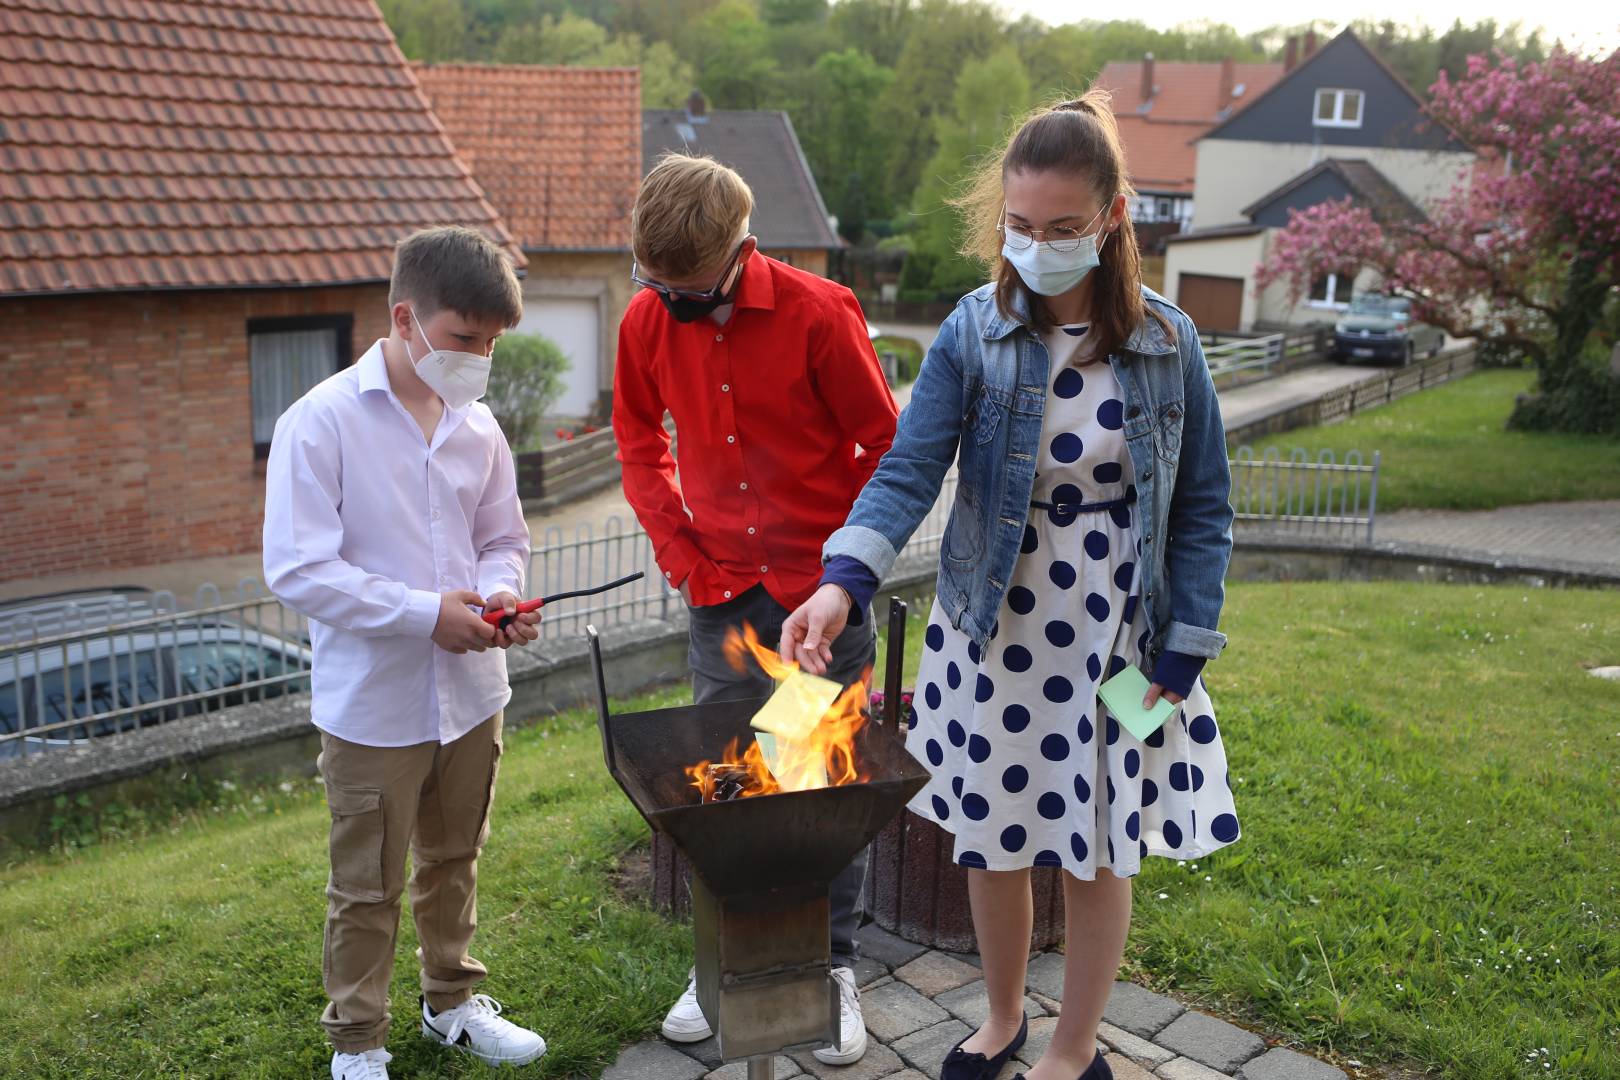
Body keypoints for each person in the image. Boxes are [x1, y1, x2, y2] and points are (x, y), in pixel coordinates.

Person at [780, 92, 1241, 1080]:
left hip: (1121, 637)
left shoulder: (1168, 343)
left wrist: (1183, 646)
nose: (1037, 247)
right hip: (994, 630)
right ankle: (999, 1019)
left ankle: (1073, 1050)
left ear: (1115, 217)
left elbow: (1203, 508)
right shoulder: (972, 332)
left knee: (1097, 848)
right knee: (990, 836)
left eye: (1064, 228)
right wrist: (842, 580)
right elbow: (908, 469)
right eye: (1021, 228)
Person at [612, 153, 899, 1065]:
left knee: (814, 786)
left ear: (744, 252)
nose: (674, 305)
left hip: (820, 601)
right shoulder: (646, 317)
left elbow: (885, 448)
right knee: (725, 793)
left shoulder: (821, 313)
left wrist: (842, 569)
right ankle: (723, 967)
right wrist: (685, 559)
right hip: (719, 596)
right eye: (661, 288)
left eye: (692, 291)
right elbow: (634, 444)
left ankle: (833, 971)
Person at [264, 226, 548, 1080]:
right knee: (365, 885)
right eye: (466, 338)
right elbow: (299, 569)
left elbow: (503, 538)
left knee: (454, 860)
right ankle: (358, 1043)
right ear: (405, 318)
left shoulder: (479, 426)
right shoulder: (318, 423)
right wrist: (427, 614)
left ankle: (451, 1003)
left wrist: (500, 594)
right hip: (373, 704)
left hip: (472, 693)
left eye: (493, 344)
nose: (479, 358)